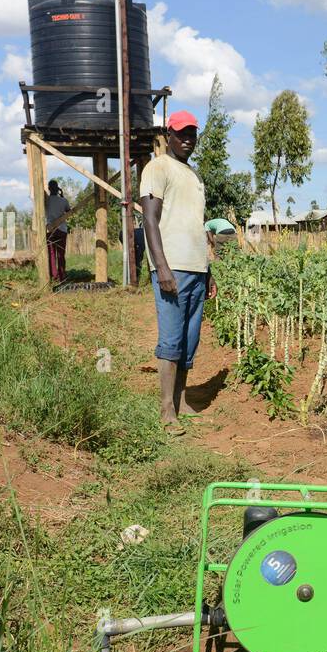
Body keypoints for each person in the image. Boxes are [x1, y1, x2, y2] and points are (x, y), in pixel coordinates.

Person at [139, 110, 217, 433]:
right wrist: (161, 266)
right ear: (168, 134)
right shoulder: (158, 167)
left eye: (192, 134)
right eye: (181, 133)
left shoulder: (195, 177)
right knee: (171, 340)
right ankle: (166, 412)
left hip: (196, 270)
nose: (187, 139)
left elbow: (197, 227)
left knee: (189, 340)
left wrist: (208, 270)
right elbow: (149, 218)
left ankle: (182, 400)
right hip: (172, 270)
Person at [44, 180, 70, 283]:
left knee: (51, 254)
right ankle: (62, 276)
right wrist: (62, 195)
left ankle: (54, 276)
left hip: (50, 230)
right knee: (61, 254)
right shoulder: (63, 201)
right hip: (62, 230)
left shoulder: (46, 200)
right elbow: (68, 211)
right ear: (58, 188)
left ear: (49, 189)